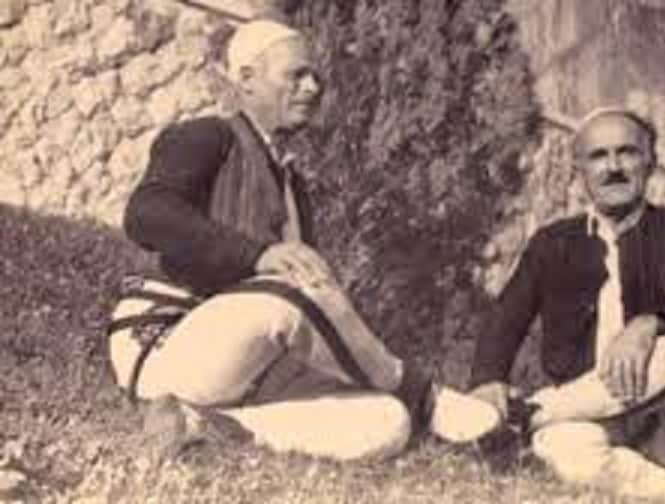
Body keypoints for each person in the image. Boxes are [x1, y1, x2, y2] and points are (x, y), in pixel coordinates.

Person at [108, 19, 496, 461]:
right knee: (296, 286)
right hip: (168, 341)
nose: (312, 87)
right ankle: (424, 395)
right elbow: (146, 213)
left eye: (314, 76)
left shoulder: (292, 182)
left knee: (388, 420)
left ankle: (206, 426)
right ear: (246, 79)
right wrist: (258, 255)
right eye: (296, 75)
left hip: (244, 367)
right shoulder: (206, 135)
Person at [469, 109, 665, 502]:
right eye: (598, 156)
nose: (613, 167)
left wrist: (649, 324)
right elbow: (507, 316)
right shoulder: (553, 243)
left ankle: (531, 414)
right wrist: (487, 379)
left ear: (651, 161)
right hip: (589, 415)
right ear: (579, 169)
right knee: (560, 451)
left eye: (627, 152)